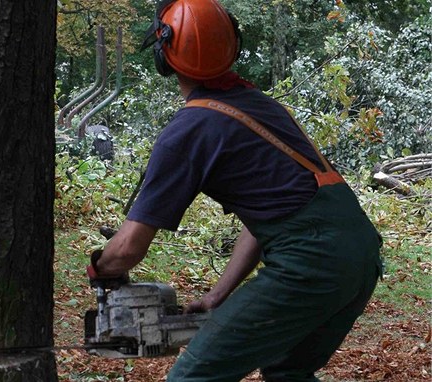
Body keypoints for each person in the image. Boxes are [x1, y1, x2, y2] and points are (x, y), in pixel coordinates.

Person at [86, 0, 383, 381]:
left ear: (165, 56)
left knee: (191, 378)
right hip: (360, 256)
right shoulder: (264, 108)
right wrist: (218, 293)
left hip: (310, 261)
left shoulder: (188, 131)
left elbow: (128, 248)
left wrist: (100, 267)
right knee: (288, 372)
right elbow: (268, 217)